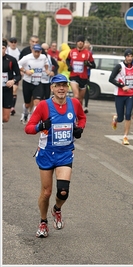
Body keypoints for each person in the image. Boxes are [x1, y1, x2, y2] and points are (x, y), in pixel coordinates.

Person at [24, 74, 86, 238]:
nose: (61, 89)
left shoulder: (75, 103)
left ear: (67, 88)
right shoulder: (44, 106)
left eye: (64, 85)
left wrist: (80, 129)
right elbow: (28, 128)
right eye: (58, 85)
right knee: (46, 192)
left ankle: (57, 209)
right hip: (46, 154)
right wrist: (41, 126)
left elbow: (82, 118)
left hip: (65, 153)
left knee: (63, 191)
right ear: (52, 88)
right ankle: (43, 222)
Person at [108, 49, 133, 145]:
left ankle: (125, 137)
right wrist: (122, 86)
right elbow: (111, 79)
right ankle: (116, 118)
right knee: (121, 118)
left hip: (130, 94)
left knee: (128, 114)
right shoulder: (119, 66)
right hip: (119, 94)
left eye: (131, 56)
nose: (130, 58)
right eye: (128, 56)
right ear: (125, 57)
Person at [18, 44, 49, 124]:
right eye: (35, 52)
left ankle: (33, 118)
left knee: (37, 102)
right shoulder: (27, 57)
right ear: (32, 51)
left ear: (41, 51)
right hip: (27, 82)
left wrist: (46, 70)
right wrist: (25, 71)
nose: (37, 54)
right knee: (27, 104)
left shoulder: (43, 57)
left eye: (38, 52)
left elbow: (46, 63)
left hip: (38, 82)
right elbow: (18, 64)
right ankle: (25, 113)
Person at [66, 35, 95, 106]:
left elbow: (93, 65)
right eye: (78, 41)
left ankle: (78, 113)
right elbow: (67, 59)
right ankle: (73, 113)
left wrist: (88, 64)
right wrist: (69, 66)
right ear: (76, 43)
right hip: (74, 76)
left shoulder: (88, 53)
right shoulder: (72, 52)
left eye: (81, 41)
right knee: (76, 96)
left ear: (83, 43)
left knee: (80, 99)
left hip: (83, 78)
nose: (80, 43)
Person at [2, 38, 21, 122]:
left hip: (6, 89)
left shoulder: (11, 60)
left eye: (3, 48)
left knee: (5, 118)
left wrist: (13, 81)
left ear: (6, 49)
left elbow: (18, 75)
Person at [83, 40, 92, 114]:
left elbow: (92, 64)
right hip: (78, 75)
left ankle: (85, 106)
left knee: (86, 90)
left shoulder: (90, 54)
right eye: (85, 47)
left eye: (87, 47)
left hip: (87, 75)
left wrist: (88, 64)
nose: (86, 48)